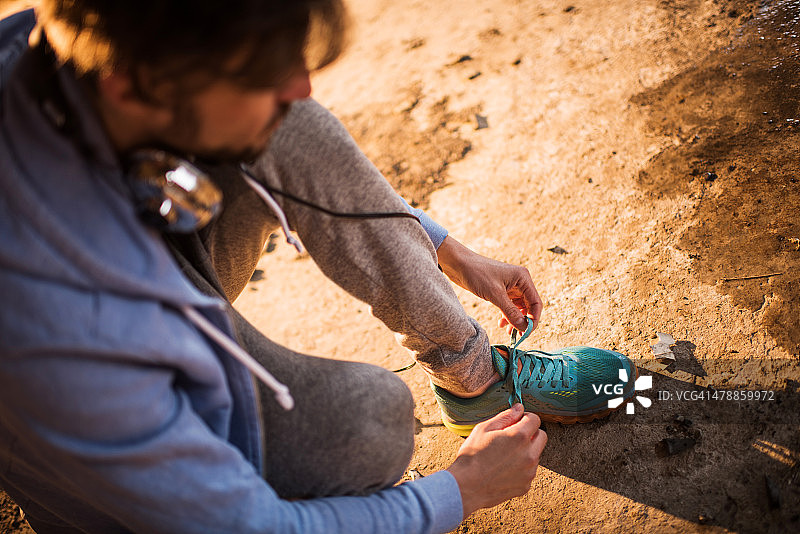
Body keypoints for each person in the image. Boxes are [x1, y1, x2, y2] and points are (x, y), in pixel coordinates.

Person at [0, 2, 635, 532]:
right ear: (134, 86)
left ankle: (475, 378)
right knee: (371, 422)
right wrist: (459, 491)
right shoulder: (64, 339)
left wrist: (445, 247)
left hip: (141, 277)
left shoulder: (54, 46)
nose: (303, 83)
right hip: (133, 451)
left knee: (291, 127)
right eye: (262, 76)